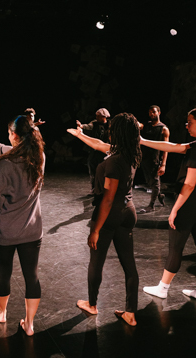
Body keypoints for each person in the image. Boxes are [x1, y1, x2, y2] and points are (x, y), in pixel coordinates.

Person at [67, 113, 141, 326]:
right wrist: (80, 135)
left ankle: (92, 305)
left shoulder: (115, 161)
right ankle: (130, 313)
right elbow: (99, 145)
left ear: (117, 132)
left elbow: (108, 200)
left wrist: (95, 229)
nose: (108, 130)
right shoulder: (130, 153)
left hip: (111, 214)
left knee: (96, 263)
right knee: (129, 266)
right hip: (128, 211)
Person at [141, 108, 196, 303]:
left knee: (175, 248)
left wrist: (175, 209)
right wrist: (142, 141)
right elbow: (171, 147)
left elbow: (189, 184)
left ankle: (163, 288)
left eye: (190, 122)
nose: (186, 126)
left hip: (191, 203)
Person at [0, 115, 45, 336]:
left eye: (9, 134)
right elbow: (11, 152)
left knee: (3, 274)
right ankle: (29, 325)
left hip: (5, 232)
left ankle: (2, 313)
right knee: (32, 277)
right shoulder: (39, 157)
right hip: (32, 231)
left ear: (14, 136)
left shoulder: (5, 166)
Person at [138, 105, 169, 213]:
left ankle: (151, 205)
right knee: (149, 181)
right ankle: (160, 195)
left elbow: (166, 147)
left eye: (154, 112)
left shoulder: (163, 129)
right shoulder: (147, 125)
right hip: (144, 157)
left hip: (155, 159)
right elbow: (139, 125)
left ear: (159, 113)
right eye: (150, 112)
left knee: (155, 182)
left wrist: (163, 164)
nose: (151, 114)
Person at [77, 108, 110, 196]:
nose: (96, 117)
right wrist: (81, 126)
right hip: (94, 151)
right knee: (92, 168)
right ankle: (94, 188)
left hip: (104, 151)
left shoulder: (110, 125)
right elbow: (89, 126)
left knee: (104, 170)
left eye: (98, 116)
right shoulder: (94, 123)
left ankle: (103, 189)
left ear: (104, 117)